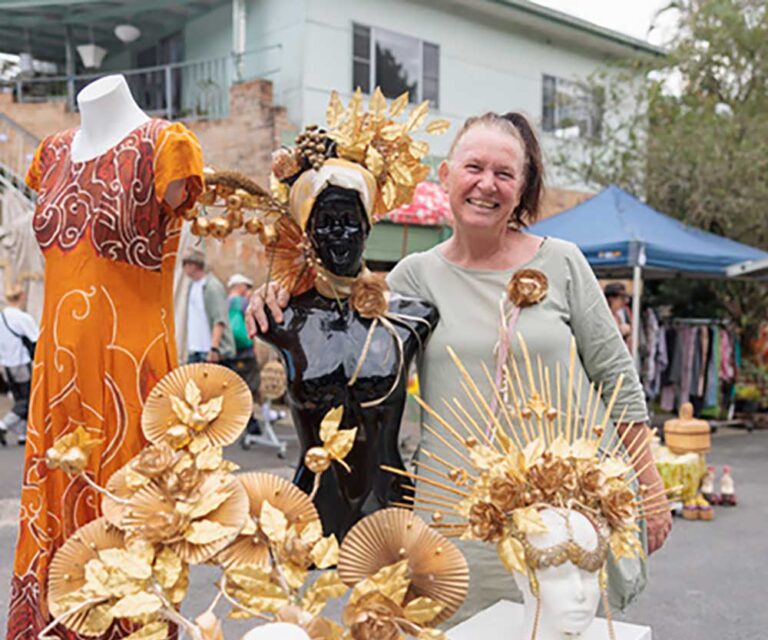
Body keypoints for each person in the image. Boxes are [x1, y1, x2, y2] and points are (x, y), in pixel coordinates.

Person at [248, 111, 671, 612]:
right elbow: (337, 308)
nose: (486, 185)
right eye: (473, 168)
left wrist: (650, 486)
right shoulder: (412, 279)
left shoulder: (563, 262)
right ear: (446, 176)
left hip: (569, 512)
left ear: (523, 187)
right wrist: (276, 292)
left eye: (504, 173)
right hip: (458, 519)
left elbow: (617, 379)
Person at [0, 72, 203, 640]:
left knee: (127, 555)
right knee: (55, 554)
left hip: (132, 396)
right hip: (56, 400)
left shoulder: (168, 148)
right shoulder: (49, 154)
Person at [181, 247, 235, 365]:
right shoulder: (191, 286)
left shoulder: (212, 286)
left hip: (209, 354)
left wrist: (214, 348)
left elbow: (219, 320)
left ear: (193, 265)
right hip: (195, 352)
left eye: (185, 263)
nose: (183, 268)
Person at [0, 285, 39, 445]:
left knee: (18, 398)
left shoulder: (1, 316)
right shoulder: (23, 318)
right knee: (27, 399)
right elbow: (36, 338)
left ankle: (23, 434)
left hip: (7, 364)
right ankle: (3, 425)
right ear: (22, 297)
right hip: (21, 363)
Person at [227, 273, 262, 436]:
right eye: (247, 287)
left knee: (233, 386)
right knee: (250, 386)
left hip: (230, 350)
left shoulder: (225, 302)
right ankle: (251, 422)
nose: (248, 290)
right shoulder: (242, 302)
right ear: (240, 286)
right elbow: (252, 324)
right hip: (245, 351)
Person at [605, 281, 632, 348]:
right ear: (611, 298)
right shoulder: (604, 316)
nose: (625, 301)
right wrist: (620, 332)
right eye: (622, 298)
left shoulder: (618, 316)